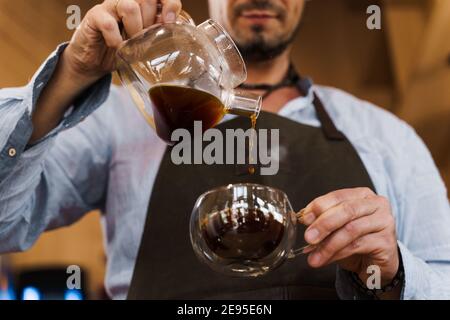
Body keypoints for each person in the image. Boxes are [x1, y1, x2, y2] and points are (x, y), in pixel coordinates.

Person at [0, 0, 449, 300]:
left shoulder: (387, 135)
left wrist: (393, 270)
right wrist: (69, 77)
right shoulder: (118, 118)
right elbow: (6, 225)